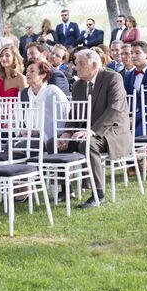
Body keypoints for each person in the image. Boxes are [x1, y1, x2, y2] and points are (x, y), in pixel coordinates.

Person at [58, 50, 132, 208]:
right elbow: (74, 112)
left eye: (80, 64)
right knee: (56, 142)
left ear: (94, 65)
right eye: (76, 63)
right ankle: (66, 190)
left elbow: (115, 109)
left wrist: (91, 131)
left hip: (112, 132)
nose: (76, 68)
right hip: (86, 132)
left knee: (87, 144)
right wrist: (67, 132)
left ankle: (98, 194)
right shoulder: (78, 85)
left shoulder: (113, 78)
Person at [19, 60, 68, 150]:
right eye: (27, 71)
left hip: (55, 137)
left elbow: (62, 119)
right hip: (35, 136)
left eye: (32, 71)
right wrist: (28, 130)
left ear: (43, 75)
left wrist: (39, 131)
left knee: (19, 147)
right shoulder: (29, 93)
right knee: (10, 144)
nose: (27, 74)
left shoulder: (53, 92)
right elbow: (30, 120)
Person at [0, 44, 27, 142]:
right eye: (1, 56)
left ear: (15, 58)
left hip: (14, 122)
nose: (3, 58)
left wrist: (12, 119)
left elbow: (26, 106)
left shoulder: (21, 79)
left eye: (7, 55)